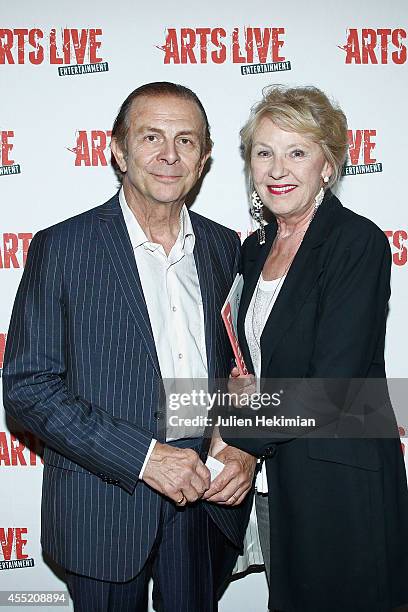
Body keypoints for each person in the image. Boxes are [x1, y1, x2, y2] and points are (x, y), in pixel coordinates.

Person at [2, 82, 256, 612]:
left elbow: (240, 365)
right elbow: (27, 388)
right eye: (151, 137)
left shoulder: (222, 246)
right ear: (117, 149)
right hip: (104, 500)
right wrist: (144, 458)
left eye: (186, 141)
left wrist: (241, 444)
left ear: (204, 158)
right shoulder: (64, 247)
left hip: (204, 500)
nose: (169, 155)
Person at [219, 85, 408, 611]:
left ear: (328, 164)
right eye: (264, 152)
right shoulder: (253, 249)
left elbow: (331, 387)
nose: (278, 168)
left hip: (338, 479)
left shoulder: (357, 242)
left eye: (296, 152)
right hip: (279, 480)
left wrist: (239, 436)